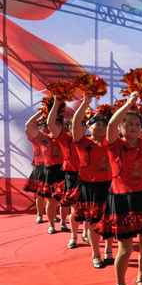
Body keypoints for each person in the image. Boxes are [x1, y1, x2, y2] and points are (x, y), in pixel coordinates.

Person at [95, 91, 142, 285]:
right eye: (129, 124)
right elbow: (111, 124)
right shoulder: (114, 144)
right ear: (122, 127)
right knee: (125, 250)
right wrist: (129, 104)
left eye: (137, 124)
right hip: (122, 200)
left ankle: (141, 279)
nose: (133, 127)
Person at [70, 95, 114, 264]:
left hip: (110, 187)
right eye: (98, 124)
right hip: (90, 188)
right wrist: (85, 103)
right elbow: (76, 123)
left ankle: (109, 250)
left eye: (104, 125)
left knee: (110, 221)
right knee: (94, 223)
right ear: (89, 126)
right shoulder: (82, 142)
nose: (101, 127)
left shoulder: (113, 143)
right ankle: (96, 254)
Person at [25, 108, 64, 234]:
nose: (56, 126)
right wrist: (43, 113)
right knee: (43, 195)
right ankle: (42, 217)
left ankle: (62, 221)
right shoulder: (41, 137)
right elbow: (28, 126)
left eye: (59, 124)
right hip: (44, 168)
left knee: (64, 199)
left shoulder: (66, 138)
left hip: (63, 170)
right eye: (53, 124)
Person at [47, 102, 81, 239]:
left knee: (77, 205)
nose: (79, 128)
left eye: (82, 125)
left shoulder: (89, 141)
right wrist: (56, 104)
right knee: (54, 200)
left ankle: (67, 225)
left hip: (83, 176)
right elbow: (50, 124)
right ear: (70, 128)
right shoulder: (65, 138)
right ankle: (51, 224)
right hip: (65, 173)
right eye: (76, 125)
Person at [23, 112, 47, 225]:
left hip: (53, 168)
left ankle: (52, 214)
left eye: (46, 126)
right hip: (39, 167)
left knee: (53, 194)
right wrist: (40, 118)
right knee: (40, 194)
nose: (45, 128)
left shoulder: (55, 137)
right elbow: (27, 128)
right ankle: (39, 215)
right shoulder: (35, 138)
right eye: (42, 126)